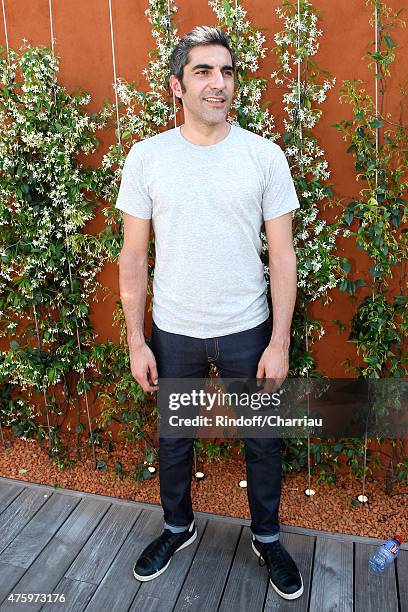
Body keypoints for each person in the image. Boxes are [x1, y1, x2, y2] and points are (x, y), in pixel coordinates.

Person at [115, 26, 303, 601]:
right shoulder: (147, 158)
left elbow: (283, 253)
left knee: (263, 441)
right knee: (174, 440)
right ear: (177, 86)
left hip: (248, 329)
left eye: (226, 71)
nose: (218, 83)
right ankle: (177, 528)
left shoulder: (263, 156)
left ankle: (266, 536)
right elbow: (134, 254)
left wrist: (279, 341)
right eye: (203, 72)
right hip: (174, 331)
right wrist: (136, 341)